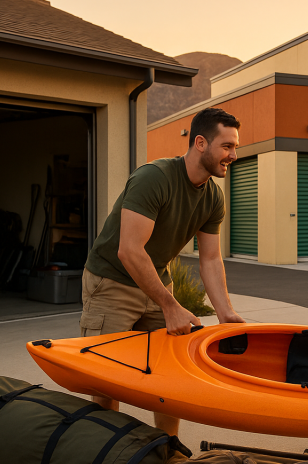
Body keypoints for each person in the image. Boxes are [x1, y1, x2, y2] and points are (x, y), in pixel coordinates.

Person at [79, 107, 246, 437]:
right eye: (227, 146)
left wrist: (226, 313)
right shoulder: (154, 177)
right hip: (111, 281)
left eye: (235, 147)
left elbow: (210, 260)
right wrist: (170, 306)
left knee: (169, 376)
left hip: (156, 282)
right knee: (106, 381)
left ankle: (169, 452)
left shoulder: (213, 197)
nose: (234, 155)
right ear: (200, 143)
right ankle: (102, 453)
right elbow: (129, 250)